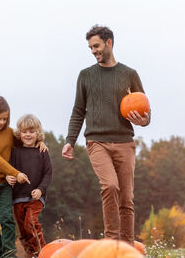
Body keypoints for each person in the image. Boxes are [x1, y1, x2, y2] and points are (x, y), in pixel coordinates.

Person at [62, 25, 150, 244]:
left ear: (109, 43)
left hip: (124, 142)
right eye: (91, 47)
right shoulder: (86, 76)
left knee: (126, 198)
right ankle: (111, 242)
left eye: (97, 46)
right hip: (97, 141)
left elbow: (145, 110)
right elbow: (78, 111)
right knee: (110, 186)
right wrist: (70, 141)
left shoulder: (129, 74)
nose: (93, 51)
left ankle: (128, 247)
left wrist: (144, 121)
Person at [0, 96, 47, 258]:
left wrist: (41, 142)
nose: (1, 122)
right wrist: (16, 173)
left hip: (6, 184)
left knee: (7, 219)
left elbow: (27, 139)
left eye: (5, 119)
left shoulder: (9, 133)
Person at [6, 114, 53, 258]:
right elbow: (9, 168)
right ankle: (31, 257)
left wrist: (40, 189)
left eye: (31, 131)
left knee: (31, 223)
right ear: (19, 133)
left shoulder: (42, 151)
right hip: (18, 197)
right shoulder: (15, 151)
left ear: (37, 133)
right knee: (23, 230)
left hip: (36, 197)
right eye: (25, 132)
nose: (28, 135)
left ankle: (44, 254)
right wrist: (8, 177)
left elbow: (48, 173)